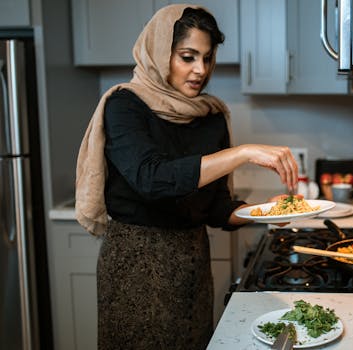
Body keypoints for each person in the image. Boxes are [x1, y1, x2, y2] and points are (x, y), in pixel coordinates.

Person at [74, 4, 299, 350]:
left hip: (193, 265)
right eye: (187, 57)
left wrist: (267, 212)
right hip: (136, 267)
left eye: (207, 58)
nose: (200, 70)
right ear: (161, 52)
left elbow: (216, 208)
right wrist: (242, 153)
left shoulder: (211, 116)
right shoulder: (125, 105)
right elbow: (152, 179)